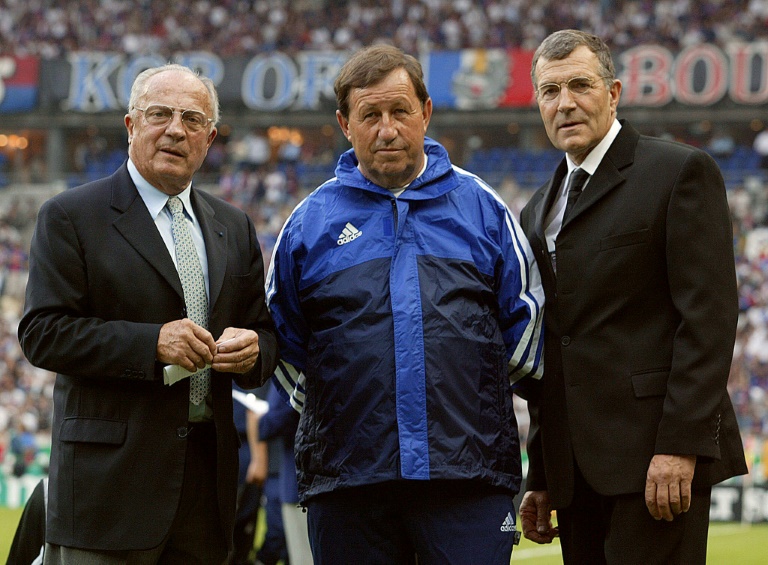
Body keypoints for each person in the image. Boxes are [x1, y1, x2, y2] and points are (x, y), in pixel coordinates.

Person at [266, 44, 544, 564]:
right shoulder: (308, 223)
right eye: (369, 115)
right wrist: (346, 412)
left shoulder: (482, 207)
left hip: (469, 479)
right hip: (349, 484)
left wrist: (465, 396)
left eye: (400, 112)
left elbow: (525, 332)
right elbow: (284, 345)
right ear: (344, 124)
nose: (387, 129)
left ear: (427, 112)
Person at [18, 63, 278, 564]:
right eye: (159, 114)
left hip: (206, 487)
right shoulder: (72, 215)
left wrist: (254, 350)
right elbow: (43, 333)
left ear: (210, 138)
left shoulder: (233, 225)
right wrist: (151, 343)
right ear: (131, 125)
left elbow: (263, 332)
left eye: (192, 119)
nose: (176, 129)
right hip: (108, 490)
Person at [518, 29, 748, 564]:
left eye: (581, 85)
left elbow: (708, 321)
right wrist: (544, 472)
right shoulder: (536, 209)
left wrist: (679, 445)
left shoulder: (677, 173)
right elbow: (553, 345)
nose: (565, 103)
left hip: (656, 464)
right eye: (550, 92)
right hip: (575, 474)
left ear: (614, 92)